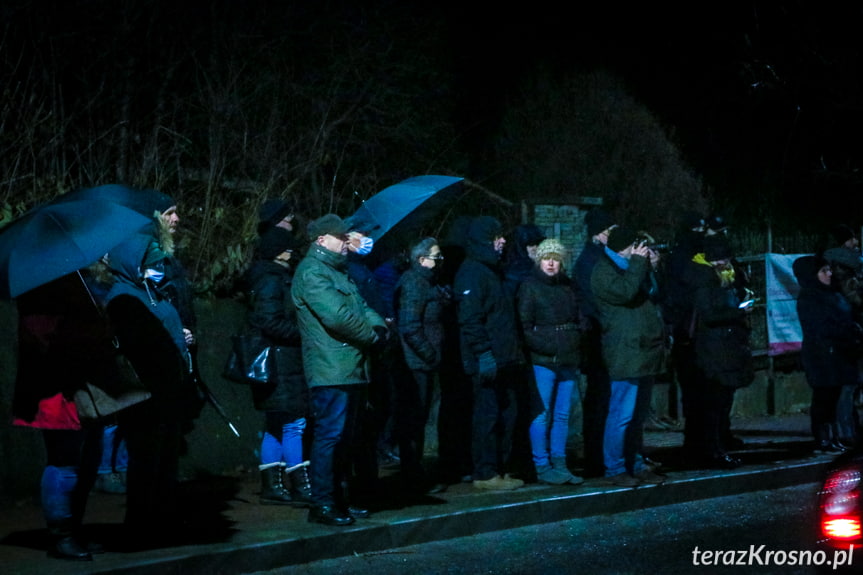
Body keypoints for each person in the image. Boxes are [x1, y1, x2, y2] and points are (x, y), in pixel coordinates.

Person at [11, 273, 121, 560]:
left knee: (88, 459)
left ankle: (75, 527)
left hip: (84, 386)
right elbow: (44, 334)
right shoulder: (38, 286)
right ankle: (62, 535)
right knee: (64, 461)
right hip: (57, 390)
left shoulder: (76, 278)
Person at [291, 214, 387, 526]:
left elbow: (362, 308)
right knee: (331, 436)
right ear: (322, 240)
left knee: (345, 437)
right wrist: (374, 334)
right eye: (341, 237)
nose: (347, 241)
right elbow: (339, 317)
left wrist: (377, 326)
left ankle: (339, 499)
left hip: (349, 367)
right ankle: (323, 503)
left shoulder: (335, 272)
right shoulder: (313, 273)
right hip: (331, 368)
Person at [103, 232, 194, 548]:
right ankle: (141, 527)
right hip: (146, 393)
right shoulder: (123, 298)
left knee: (163, 460)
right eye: (150, 263)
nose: (157, 269)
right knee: (146, 461)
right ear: (132, 263)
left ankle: (159, 521)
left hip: (166, 390)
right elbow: (140, 346)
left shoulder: (148, 292)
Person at [591, 226, 667, 487]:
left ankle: (635, 462)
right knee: (621, 414)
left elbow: (655, 295)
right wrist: (638, 263)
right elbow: (625, 292)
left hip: (643, 349)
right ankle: (614, 467)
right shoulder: (603, 271)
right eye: (636, 246)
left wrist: (653, 267)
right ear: (624, 246)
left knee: (637, 415)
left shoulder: (633, 265)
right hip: (625, 351)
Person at [454, 215, 525, 491]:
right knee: (487, 416)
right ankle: (484, 473)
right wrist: (483, 353)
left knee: (506, 415)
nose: (503, 241)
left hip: (503, 358)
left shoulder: (491, 270)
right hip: (488, 360)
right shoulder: (472, 272)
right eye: (497, 237)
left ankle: (499, 468)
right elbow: (470, 319)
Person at [245, 226, 312, 506]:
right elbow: (270, 321)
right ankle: (301, 485)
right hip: (282, 362)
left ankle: (272, 485)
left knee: (276, 423)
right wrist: (304, 331)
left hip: (276, 361)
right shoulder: (273, 281)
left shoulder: (265, 278)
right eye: (287, 248)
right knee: (294, 424)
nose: (291, 252)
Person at [517, 238, 585, 485]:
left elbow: (579, 317)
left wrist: (577, 339)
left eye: (556, 259)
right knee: (541, 414)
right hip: (543, 359)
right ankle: (541, 464)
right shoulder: (530, 286)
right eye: (547, 258)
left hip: (568, 357)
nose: (551, 263)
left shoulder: (568, 286)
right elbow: (524, 326)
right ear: (539, 260)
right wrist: (546, 347)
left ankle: (559, 462)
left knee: (562, 415)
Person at [684, 235, 755, 468]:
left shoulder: (721, 278)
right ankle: (712, 451)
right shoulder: (705, 281)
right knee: (713, 405)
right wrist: (738, 312)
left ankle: (716, 448)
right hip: (714, 350)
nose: (728, 264)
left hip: (724, 347)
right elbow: (710, 315)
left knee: (720, 404)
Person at [394, 237, 451, 496]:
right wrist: (430, 355)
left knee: (418, 419)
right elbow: (410, 326)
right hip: (416, 363)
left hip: (424, 362)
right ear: (422, 259)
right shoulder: (414, 283)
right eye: (436, 256)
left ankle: (414, 473)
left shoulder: (428, 282)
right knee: (414, 421)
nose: (440, 261)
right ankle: (411, 476)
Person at [793, 255, 861, 453]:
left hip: (840, 352)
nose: (829, 274)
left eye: (829, 270)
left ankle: (832, 437)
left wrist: (853, 329)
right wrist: (847, 330)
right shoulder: (810, 297)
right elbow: (821, 326)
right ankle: (822, 438)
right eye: (824, 271)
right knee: (824, 397)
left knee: (834, 396)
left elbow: (846, 315)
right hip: (823, 354)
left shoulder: (832, 293)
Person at [573, 208, 616, 478]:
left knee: (604, 400)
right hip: (598, 340)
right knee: (599, 400)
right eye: (610, 230)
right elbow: (596, 302)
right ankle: (596, 457)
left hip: (603, 337)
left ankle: (601, 456)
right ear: (599, 233)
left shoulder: (597, 258)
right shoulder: (591, 262)